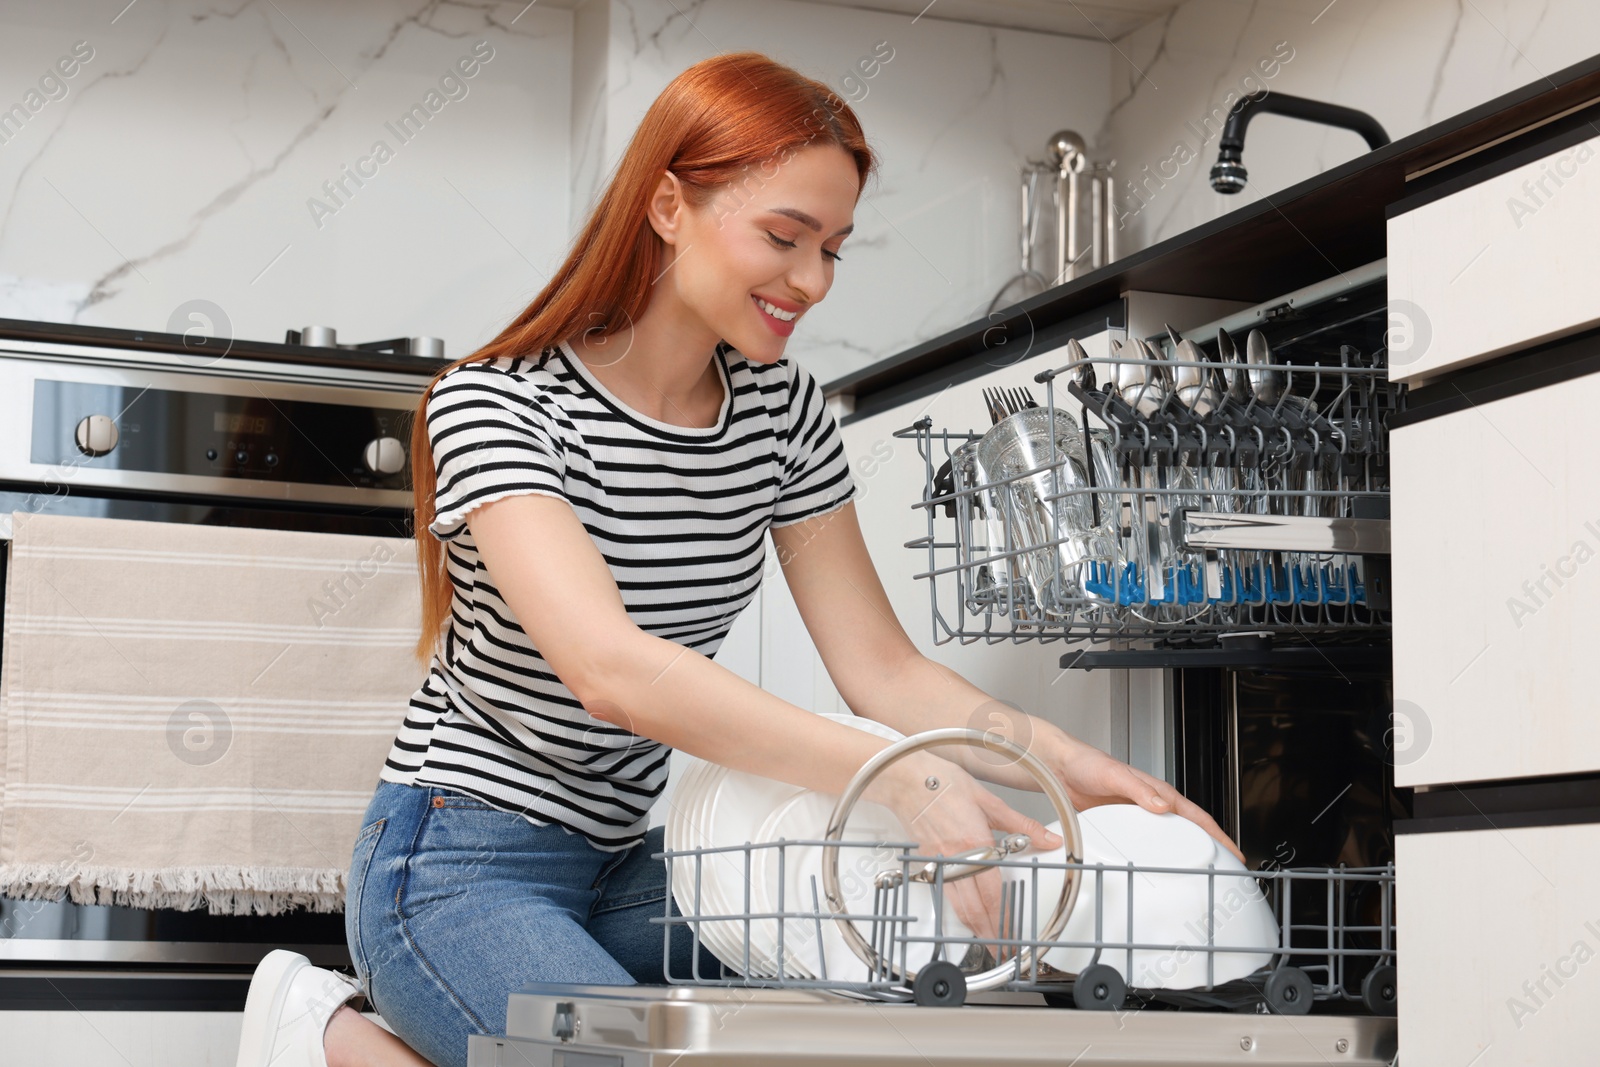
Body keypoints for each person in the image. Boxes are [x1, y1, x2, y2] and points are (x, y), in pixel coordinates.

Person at [233, 51, 1241, 1067]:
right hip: (460, 859)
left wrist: (1069, 770)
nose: (810, 281)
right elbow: (609, 670)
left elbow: (881, 669)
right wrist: (898, 777)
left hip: (641, 863)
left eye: (834, 248)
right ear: (668, 206)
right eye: (782, 236)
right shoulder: (499, 404)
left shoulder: (781, 413)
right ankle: (325, 1035)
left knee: (878, 991)